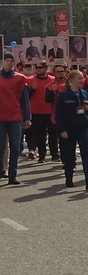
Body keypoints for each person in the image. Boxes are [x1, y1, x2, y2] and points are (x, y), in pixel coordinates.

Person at [55, 70, 88, 190]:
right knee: (69, 155)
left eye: (82, 78)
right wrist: (62, 130)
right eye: (79, 78)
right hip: (69, 128)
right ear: (71, 80)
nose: (82, 80)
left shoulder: (84, 94)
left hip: (84, 126)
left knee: (87, 153)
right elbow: (59, 114)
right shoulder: (64, 95)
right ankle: (69, 177)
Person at [0, 53, 31, 185]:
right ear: (3, 62)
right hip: (1, 118)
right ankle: (2, 169)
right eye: (7, 60)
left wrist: (27, 117)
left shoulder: (20, 79)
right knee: (1, 146)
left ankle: (13, 174)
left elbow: (25, 100)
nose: (9, 63)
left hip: (15, 117)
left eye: (11, 61)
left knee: (15, 146)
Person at [26, 61, 57, 163]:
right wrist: (32, 89)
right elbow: (25, 97)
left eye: (40, 67)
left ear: (45, 68)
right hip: (36, 112)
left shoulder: (53, 80)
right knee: (40, 135)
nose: (38, 69)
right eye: (36, 68)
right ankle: (42, 155)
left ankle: (54, 154)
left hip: (49, 111)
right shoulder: (30, 80)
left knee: (53, 134)